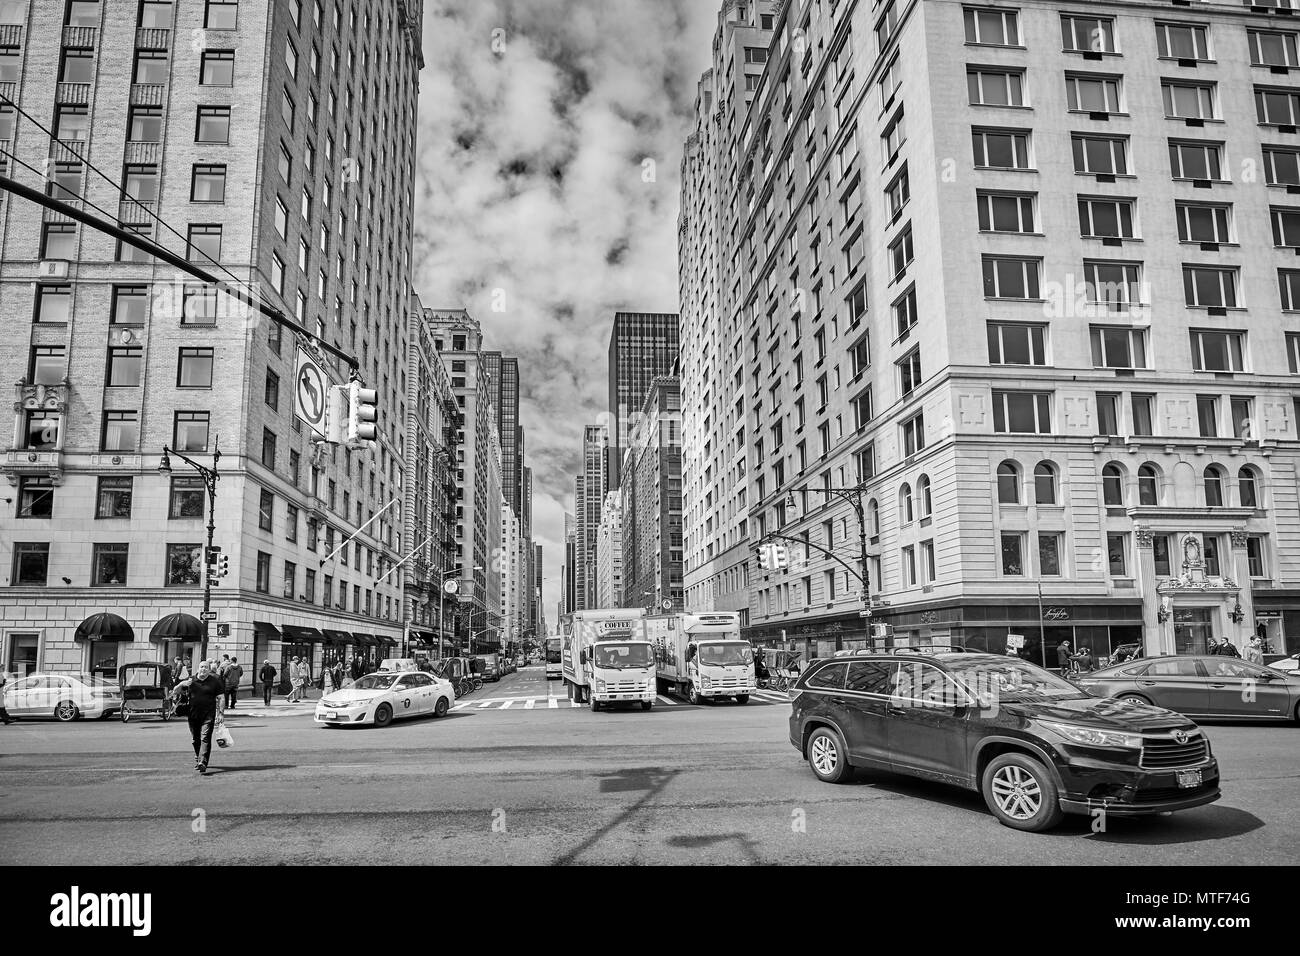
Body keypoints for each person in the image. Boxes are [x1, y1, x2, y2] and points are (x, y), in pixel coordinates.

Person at [174, 660, 224, 774]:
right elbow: (175, 692)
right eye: (202, 667)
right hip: (193, 715)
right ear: (198, 668)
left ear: (209, 669)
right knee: (195, 739)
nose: (203, 669)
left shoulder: (215, 682)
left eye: (206, 667)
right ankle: (198, 757)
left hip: (208, 715)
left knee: (205, 738)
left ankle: (203, 762)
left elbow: (221, 697)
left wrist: (220, 713)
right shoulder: (191, 681)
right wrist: (181, 684)